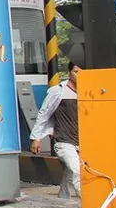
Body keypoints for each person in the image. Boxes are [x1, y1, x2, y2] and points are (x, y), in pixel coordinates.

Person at [30, 62, 82, 198]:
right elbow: (44, 113)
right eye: (76, 72)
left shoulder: (88, 91)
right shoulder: (58, 91)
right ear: (69, 72)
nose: (79, 75)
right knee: (77, 171)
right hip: (64, 141)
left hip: (82, 141)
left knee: (71, 171)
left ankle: (63, 197)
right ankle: (90, 204)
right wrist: (36, 138)